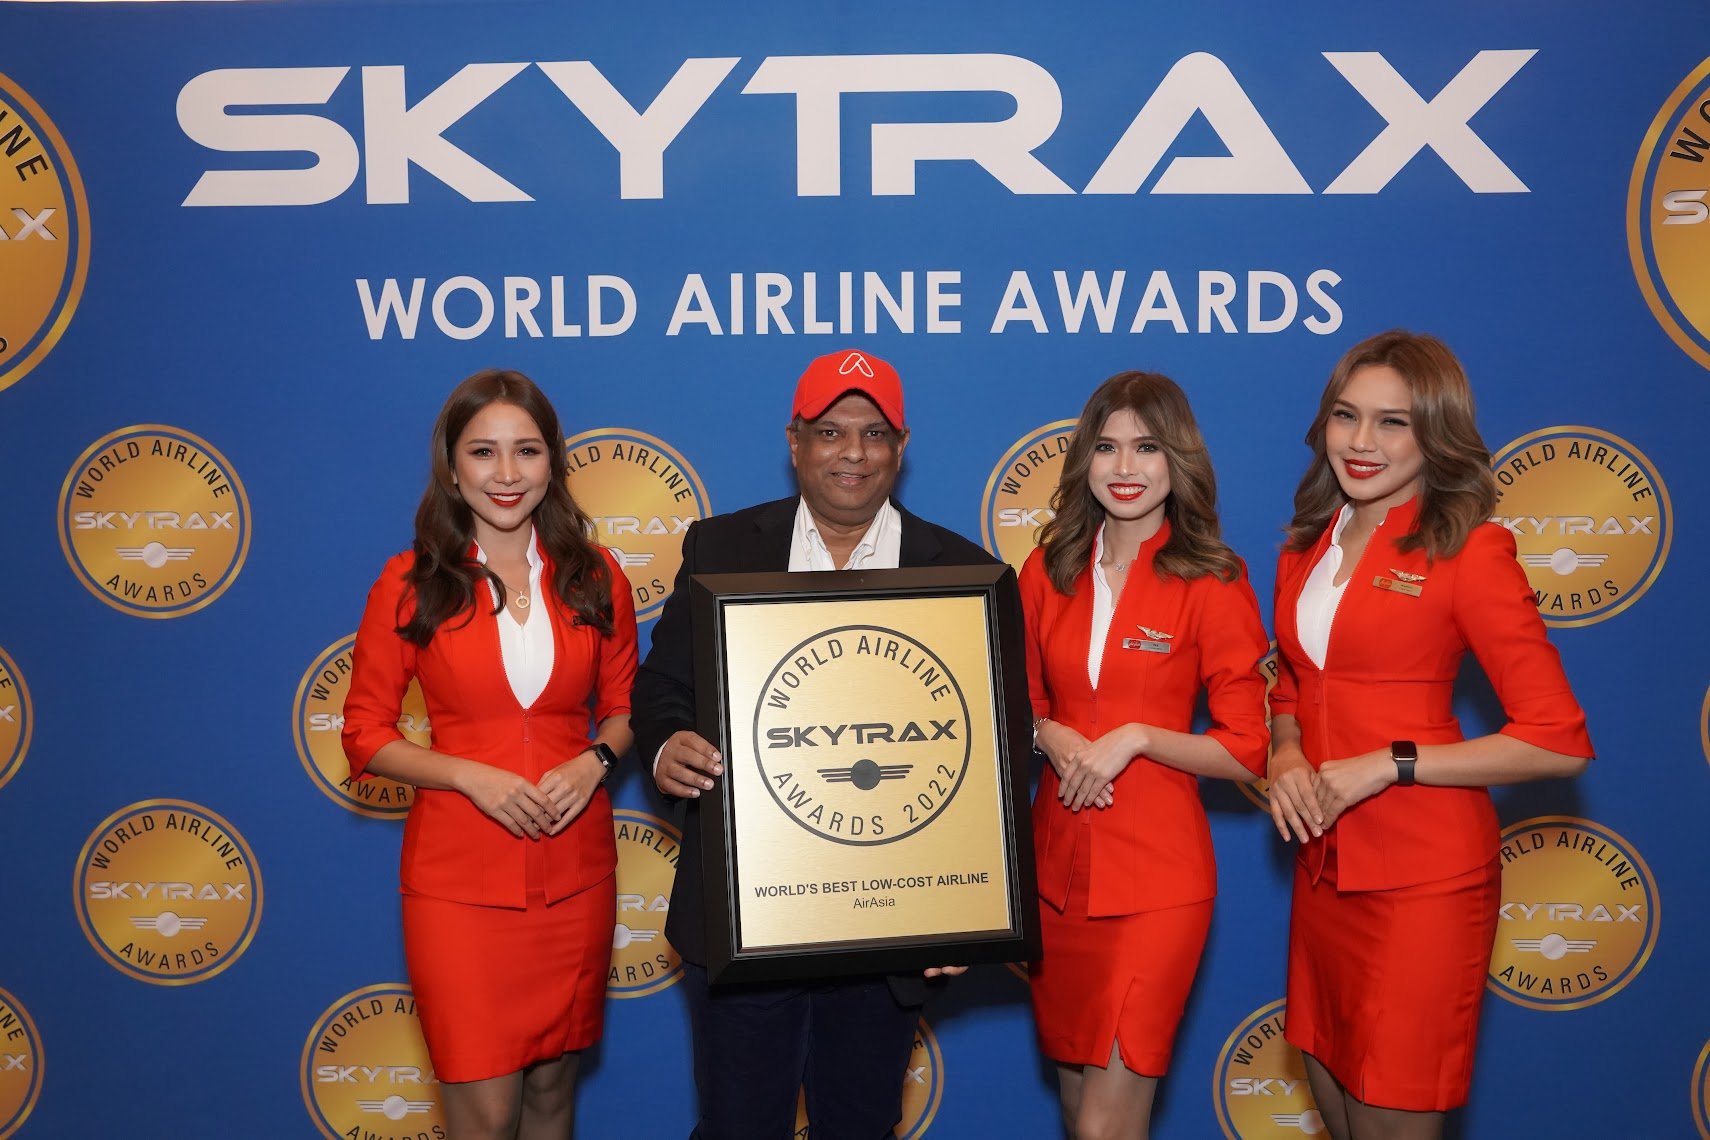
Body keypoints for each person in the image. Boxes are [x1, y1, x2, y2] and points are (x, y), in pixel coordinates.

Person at [632, 348, 995, 1140]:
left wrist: (970, 910)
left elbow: (987, 754)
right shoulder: (720, 548)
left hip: (888, 927)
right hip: (747, 914)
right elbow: (661, 690)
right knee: (737, 1127)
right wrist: (667, 747)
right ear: (794, 442)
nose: (853, 454)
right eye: (830, 432)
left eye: (873, 434)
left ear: (902, 447)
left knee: (860, 1126)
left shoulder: (964, 570)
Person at [1266, 331, 1593, 1140]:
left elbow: (1557, 741)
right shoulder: (1306, 544)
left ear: (1436, 433)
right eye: (1347, 417)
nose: (1362, 443)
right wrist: (1285, 749)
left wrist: (1391, 764)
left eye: (1393, 423)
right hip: (1323, 870)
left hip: (1424, 882)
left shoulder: (1471, 550)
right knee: (1335, 1106)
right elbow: (1291, 682)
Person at [342, 369, 637, 1139]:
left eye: (527, 451)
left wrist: (595, 761)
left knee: (551, 1095)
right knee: (487, 1113)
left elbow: (626, 709)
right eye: (484, 452)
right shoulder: (408, 583)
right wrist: (467, 774)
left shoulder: (597, 576)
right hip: (460, 889)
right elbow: (365, 734)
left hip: (577, 877)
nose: (507, 475)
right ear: (451, 464)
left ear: (552, 462)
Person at [1021, 371, 1270, 1140]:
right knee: (1075, 1106)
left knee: (1106, 1125)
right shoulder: (1046, 570)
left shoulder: (1213, 579)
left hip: (1159, 878)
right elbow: (1014, 703)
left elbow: (1249, 747)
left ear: (1178, 460)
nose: (1125, 467)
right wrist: (1047, 733)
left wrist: (1138, 737)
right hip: (1054, 874)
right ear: (1084, 461)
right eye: (1107, 447)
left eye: (1147, 447)